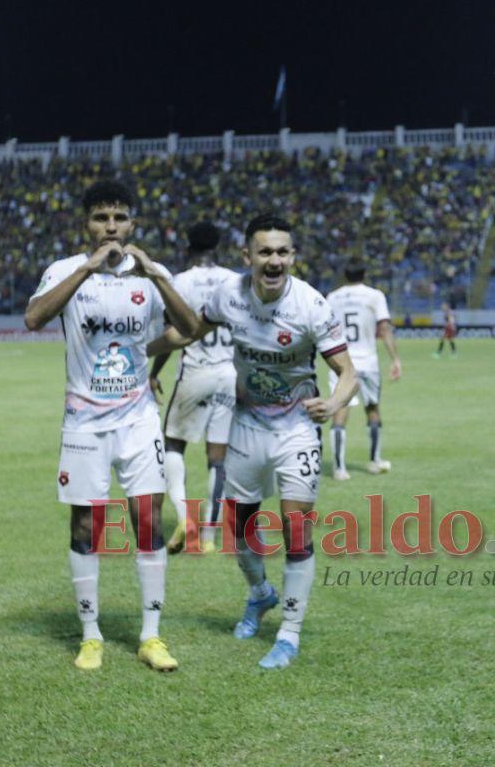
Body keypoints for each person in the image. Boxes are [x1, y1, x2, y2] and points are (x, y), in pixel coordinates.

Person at [148, 213, 358, 669]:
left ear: (293, 256)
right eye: (265, 252)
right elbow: (188, 332)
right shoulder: (229, 296)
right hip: (246, 424)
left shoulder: (311, 305)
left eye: (283, 252)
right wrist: (140, 351)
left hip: (297, 428)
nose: (275, 260)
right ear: (248, 257)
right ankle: (260, 594)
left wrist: (333, 401)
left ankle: (289, 633)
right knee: (239, 529)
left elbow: (348, 373)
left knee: (294, 527)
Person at [23, 179, 200, 672]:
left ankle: (150, 635)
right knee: (85, 525)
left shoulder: (150, 274)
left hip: (138, 419)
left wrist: (158, 276)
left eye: (119, 218)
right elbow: (34, 317)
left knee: (147, 520)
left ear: (132, 224)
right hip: (84, 422)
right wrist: (86, 270)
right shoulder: (65, 270)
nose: (111, 227)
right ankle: (91, 635)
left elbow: (188, 330)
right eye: (101, 218)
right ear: (86, 224)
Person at [149, 222, 237, 555]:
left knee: (172, 443)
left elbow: (174, 334)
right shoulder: (235, 281)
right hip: (229, 373)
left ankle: (187, 518)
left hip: (196, 371)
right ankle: (211, 535)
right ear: (219, 247)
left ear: (188, 248)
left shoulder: (180, 282)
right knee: (218, 457)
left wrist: (154, 372)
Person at [326, 258, 402, 480]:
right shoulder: (375, 295)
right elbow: (385, 328)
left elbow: (326, 329)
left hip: (342, 362)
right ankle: (375, 461)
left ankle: (339, 468)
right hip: (368, 361)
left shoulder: (333, 297)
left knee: (340, 411)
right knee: (373, 409)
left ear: (345, 275)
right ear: (364, 274)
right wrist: (395, 359)